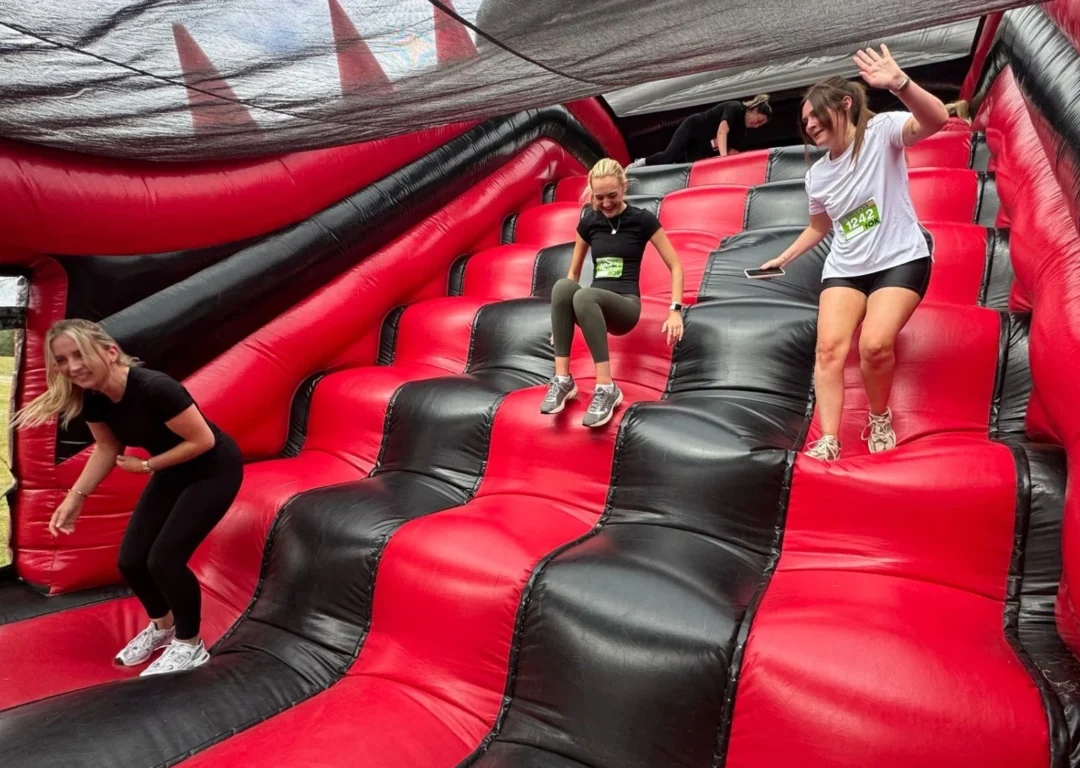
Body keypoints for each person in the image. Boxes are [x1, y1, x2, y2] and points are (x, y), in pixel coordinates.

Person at [14, 319, 243, 674]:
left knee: (164, 560)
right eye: (61, 360)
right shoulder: (95, 399)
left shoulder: (156, 388)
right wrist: (76, 497)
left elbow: (203, 441)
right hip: (173, 470)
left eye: (79, 354)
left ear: (110, 351)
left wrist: (148, 464)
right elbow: (107, 448)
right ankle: (162, 629)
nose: (72, 366)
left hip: (212, 468)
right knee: (132, 560)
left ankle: (190, 644)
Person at [757, 46, 948, 461]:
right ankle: (829, 437)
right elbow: (819, 227)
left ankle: (879, 416)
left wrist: (901, 83)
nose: (808, 126)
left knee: (875, 345)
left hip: (900, 257)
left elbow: (937, 119)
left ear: (845, 104)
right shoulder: (817, 175)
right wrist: (784, 258)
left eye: (814, 115)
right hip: (846, 265)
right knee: (828, 350)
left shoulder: (882, 133)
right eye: (804, 122)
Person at [541, 158, 684, 427]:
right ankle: (562, 380)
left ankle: (607, 389)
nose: (606, 204)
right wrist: (560, 322)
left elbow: (675, 265)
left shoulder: (642, 220)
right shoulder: (589, 221)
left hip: (625, 307)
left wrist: (675, 311)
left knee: (584, 295)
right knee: (563, 287)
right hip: (592, 306)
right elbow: (572, 274)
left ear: (624, 187)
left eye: (612, 196)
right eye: (599, 198)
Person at [629, 94, 772, 167]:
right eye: (758, 120)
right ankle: (640, 163)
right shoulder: (735, 108)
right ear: (753, 109)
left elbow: (733, 153)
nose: (757, 125)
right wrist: (723, 158)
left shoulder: (742, 132)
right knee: (669, 156)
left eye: (760, 125)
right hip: (693, 128)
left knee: (694, 167)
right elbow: (722, 131)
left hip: (701, 145)